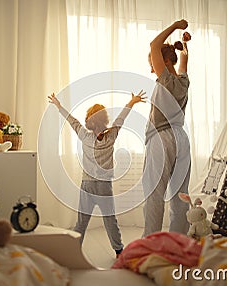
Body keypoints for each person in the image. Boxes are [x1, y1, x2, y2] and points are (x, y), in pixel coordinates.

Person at [48, 90, 146, 257]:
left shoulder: (84, 136)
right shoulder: (112, 135)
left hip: (87, 185)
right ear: (105, 120)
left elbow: (72, 121)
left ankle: (73, 250)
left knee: (81, 222)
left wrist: (59, 106)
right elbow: (121, 118)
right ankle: (119, 251)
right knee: (110, 221)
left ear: (90, 120)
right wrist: (131, 102)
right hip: (104, 187)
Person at [142, 19, 192, 237]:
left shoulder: (164, 80)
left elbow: (154, 45)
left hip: (162, 138)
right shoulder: (183, 81)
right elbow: (184, 60)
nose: (151, 68)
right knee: (180, 195)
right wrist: (184, 46)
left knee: (154, 192)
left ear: (162, 61)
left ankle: (150, 241)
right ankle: (177, 240)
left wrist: (175, 26)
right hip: (182, 138)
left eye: (152, 63)